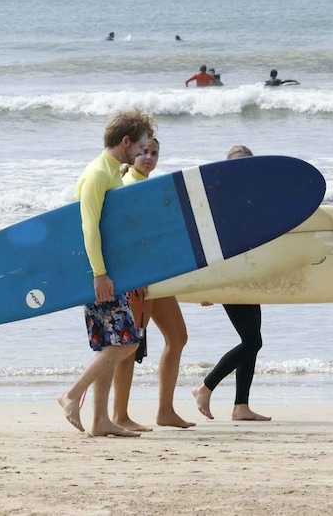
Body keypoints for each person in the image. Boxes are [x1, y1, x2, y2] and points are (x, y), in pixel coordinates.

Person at [58, 109, 155, 437]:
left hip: (109, 272)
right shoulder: (99, 173)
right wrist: (100, 274)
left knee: (111, 343)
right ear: (125, 141)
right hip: (97, 273)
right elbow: (89, 227)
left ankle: (100, 420)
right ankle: (71, 395)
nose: (143, 151)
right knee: (127, 342)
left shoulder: (115, 172)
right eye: (140, 145)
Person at [111, 136, 197, 431]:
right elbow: (126, 237)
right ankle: (119, 415)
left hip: (155, 277)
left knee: (178, 337)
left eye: (155, 153)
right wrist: (137, 275)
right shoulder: (128, 185)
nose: (148, 157)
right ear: (132, 152)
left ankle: (165, 411)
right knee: (128, 345)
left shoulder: (149, 185)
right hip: (139, 279)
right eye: (144, 152)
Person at [192, 144, 271, 422]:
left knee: (251, 340)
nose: (243, 169)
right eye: (237, 164)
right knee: (252, 341)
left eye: (248, 164)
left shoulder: (254, 198)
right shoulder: (220, 200)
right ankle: (206, 386)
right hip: (229, 276)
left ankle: (241, 406)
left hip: (249, 274)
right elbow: (209, 246)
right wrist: (209, 285)